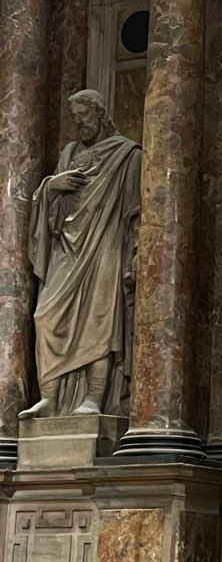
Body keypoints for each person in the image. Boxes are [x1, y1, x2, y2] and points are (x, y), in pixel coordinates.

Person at [21, 90, 141, 419]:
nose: (80, 123)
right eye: (75, 118)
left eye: (84, 116)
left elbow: (136, 211)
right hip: (66, 245)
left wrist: (134, 254)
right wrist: (51, 186)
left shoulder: (127, 154)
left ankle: (94, 397)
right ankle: (50, 396)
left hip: (105, 244)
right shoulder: (70, 152)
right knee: (45, 316)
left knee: (100, 318)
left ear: (100, 114)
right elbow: (50, 213)